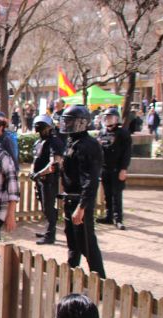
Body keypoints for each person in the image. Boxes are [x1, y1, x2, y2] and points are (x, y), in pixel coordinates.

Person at [59, 105, 106, 278]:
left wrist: (82, 206)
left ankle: (100, 280)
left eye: (71, 121)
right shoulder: (72, 141)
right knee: (73, 243)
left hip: (80, 201)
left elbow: (91, 180)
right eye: (66, 120)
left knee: (86, 243)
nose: (67, 124)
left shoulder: (89, 145)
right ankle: (70, 277)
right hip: (70, 199)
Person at [30, 115, 65, 245]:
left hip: (49, 180)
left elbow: (54, 162)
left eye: (43, 128)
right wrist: (32, 171)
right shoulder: (38, 142)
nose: (41, 131)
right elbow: (35, 159)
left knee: (49, 207)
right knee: (45, 207)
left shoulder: (55, 142)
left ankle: (51, 235)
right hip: (40, 180)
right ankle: (48, 230)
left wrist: (40, 173)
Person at [96, 108, 132, 231]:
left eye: (110, 117)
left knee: (116, 194)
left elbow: (127, 153)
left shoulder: (123, 133)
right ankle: (109, 216)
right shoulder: (102, 133)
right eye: (106, 117)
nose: (108, 120)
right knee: (107, 194)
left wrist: (124, 169)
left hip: (117, 169)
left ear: (117, 119)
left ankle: (118, 219)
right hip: (105, 168)